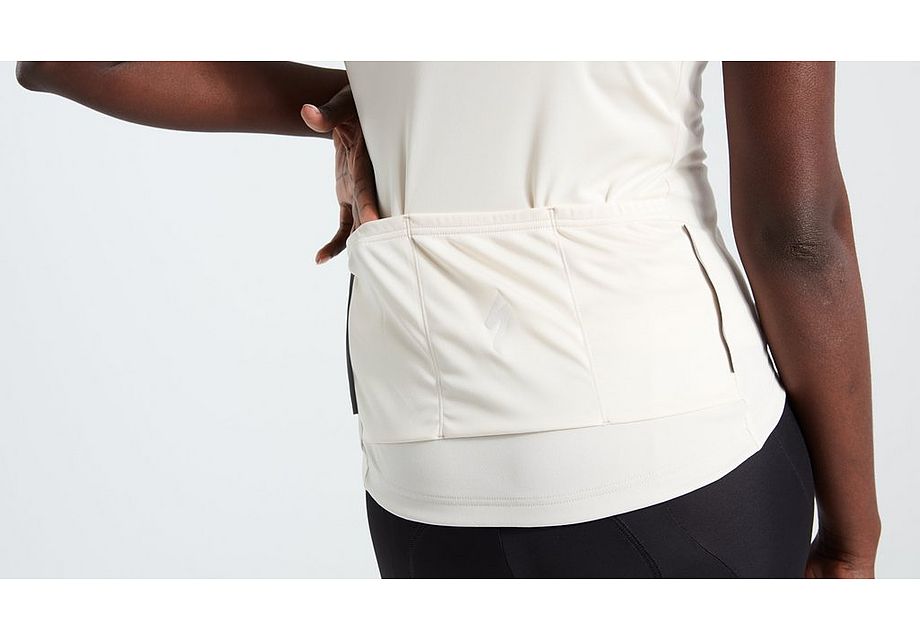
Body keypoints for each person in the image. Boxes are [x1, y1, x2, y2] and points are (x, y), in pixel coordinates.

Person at [15, 61, 881, 579]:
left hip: (427, 471)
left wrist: (370, 104)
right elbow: (798, 232)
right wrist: (853, 534)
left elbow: (70, 56)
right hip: (678, 450)